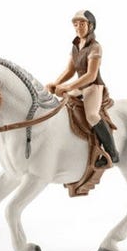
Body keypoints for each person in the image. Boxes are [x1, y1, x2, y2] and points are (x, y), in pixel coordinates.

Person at [45, 10, 119, 167]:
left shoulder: (95, 47)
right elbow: (70, 70)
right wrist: (56, 83)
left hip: (93, 86)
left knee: (92, 115)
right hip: (80, 86)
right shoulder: (75, 45)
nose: (78, 27)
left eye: (82, 23)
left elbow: (91, 75)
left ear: (91, 25)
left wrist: (68, 86)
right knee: (63, 106)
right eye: (75, 24)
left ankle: (112, 153)